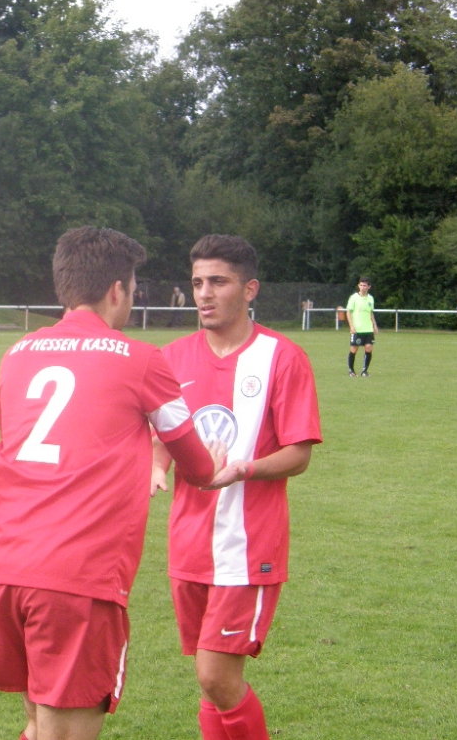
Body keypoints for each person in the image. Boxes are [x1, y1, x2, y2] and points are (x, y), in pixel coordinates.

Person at [0, 226, 224, 740]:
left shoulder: (17, 354)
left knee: (38, 723)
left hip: (1, 567)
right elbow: (197, 466)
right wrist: (210, 462)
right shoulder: (142, 359)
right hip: (75, 575)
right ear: (117, 290)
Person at [151, 234, 322, 740]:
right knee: (210, 682)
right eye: (198, 282)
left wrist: (244, 469)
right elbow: (164, 432)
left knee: (215, 674)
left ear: (249, 290)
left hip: (247, 546)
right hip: (188, 542)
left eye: (218, 282)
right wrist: (156, 466)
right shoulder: (172, 357)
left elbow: (300, 454)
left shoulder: (282, 358)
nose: (204, 293)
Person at [346, 276, 377, 376]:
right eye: (361, 285)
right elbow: (348, 312)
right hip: (357, 329)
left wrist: (374, 325)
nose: (362, 287)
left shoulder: (370, 298)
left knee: (368, 348)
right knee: (354, 349)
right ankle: (351, 370)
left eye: (365, 285)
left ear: (369, 287)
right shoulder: (354, 298)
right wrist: (351, 326)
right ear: (359, 286)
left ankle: (364, 371)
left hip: (368, 328)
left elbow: (371, 313)